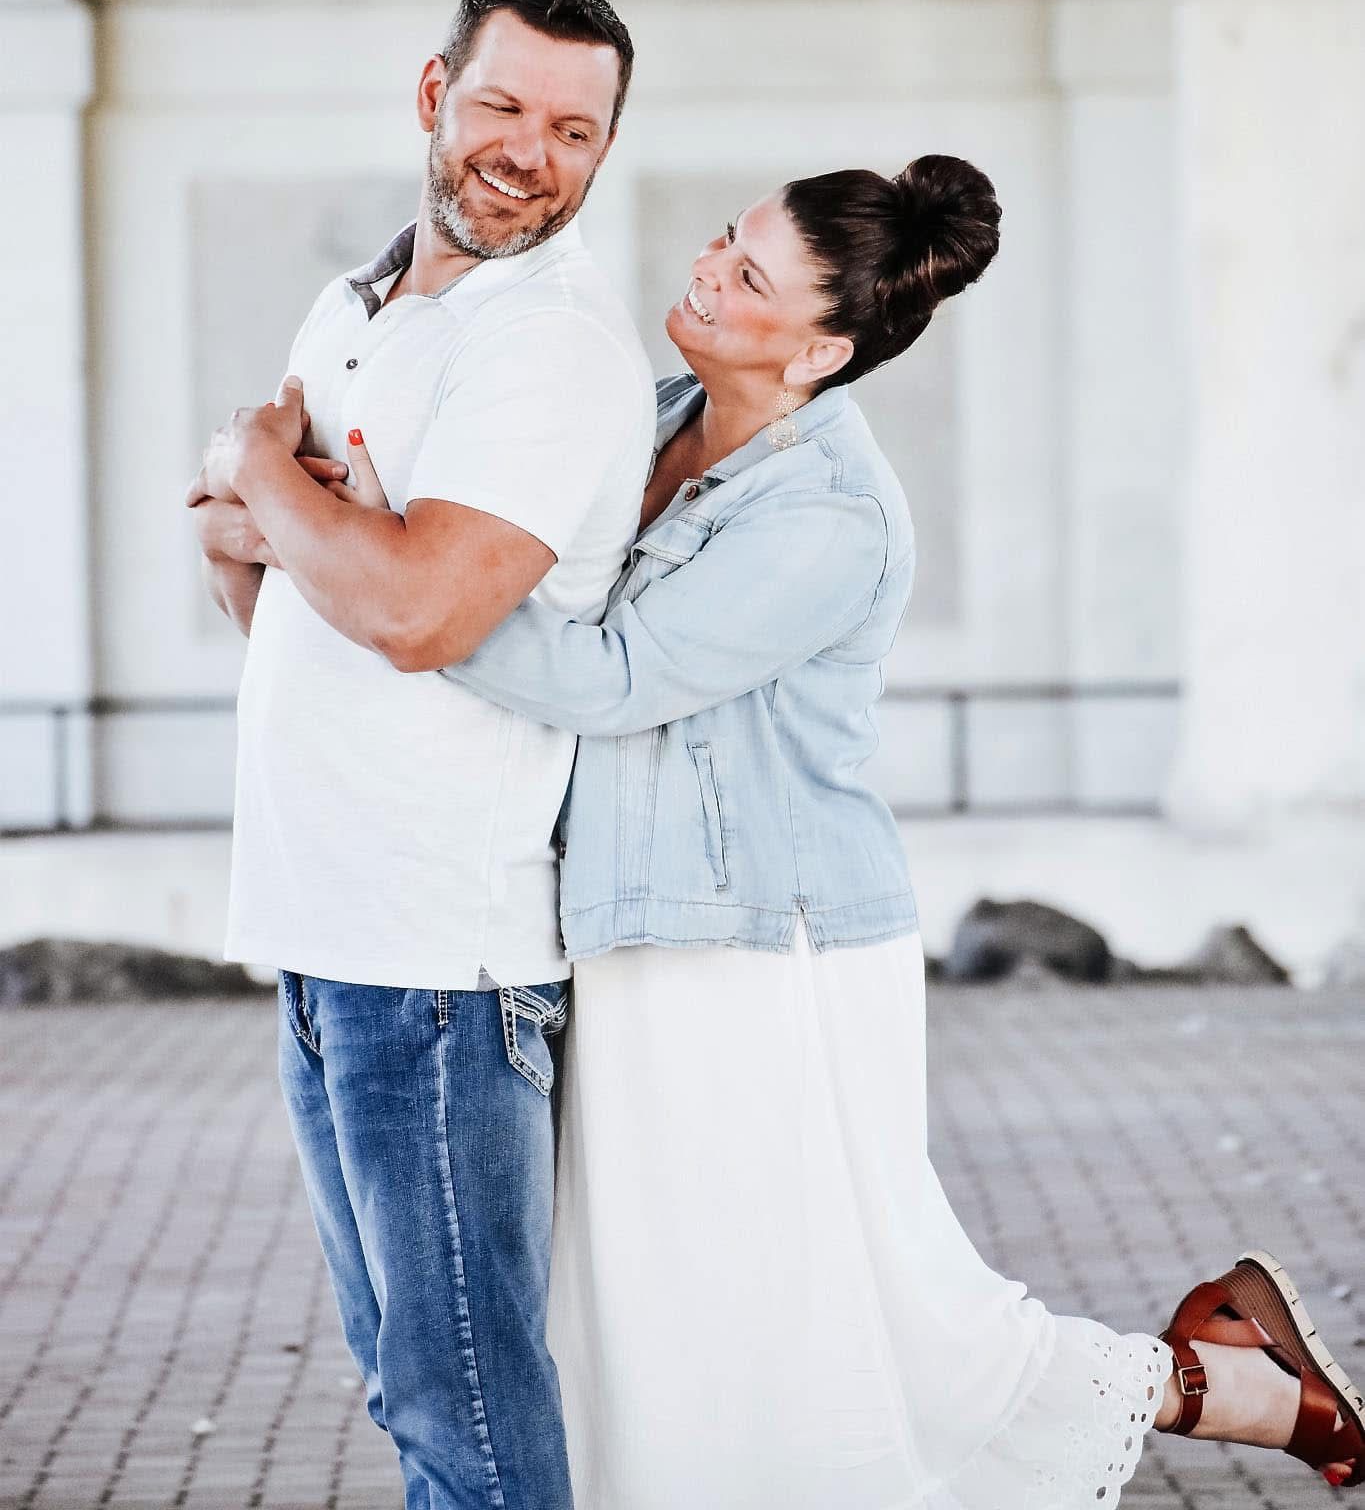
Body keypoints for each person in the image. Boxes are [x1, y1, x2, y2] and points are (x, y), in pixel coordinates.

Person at [337, 155, 1364, 1506]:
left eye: (748, 276)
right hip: (636, 930)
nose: (706, 267)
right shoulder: (653, 423)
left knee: (803, 1323)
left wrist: (408, 586)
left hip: (767, 949)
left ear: (820, 348)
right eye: (724, 239)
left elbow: (611, 680)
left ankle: (1226, 1383)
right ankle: (1228, 1378)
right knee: (741, 1313)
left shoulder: (824, 510)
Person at [186, 0, 657, 1510]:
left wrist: (272, 475)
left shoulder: (549, 350)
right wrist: (262, 521)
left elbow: (413, 619)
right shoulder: (356, 308)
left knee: (464, 1415)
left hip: (439, 969)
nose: (530, 152)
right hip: (325, 939)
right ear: (431, 96)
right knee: (408, 1388)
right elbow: (297, 614)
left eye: (574, 130)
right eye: (504, 105)